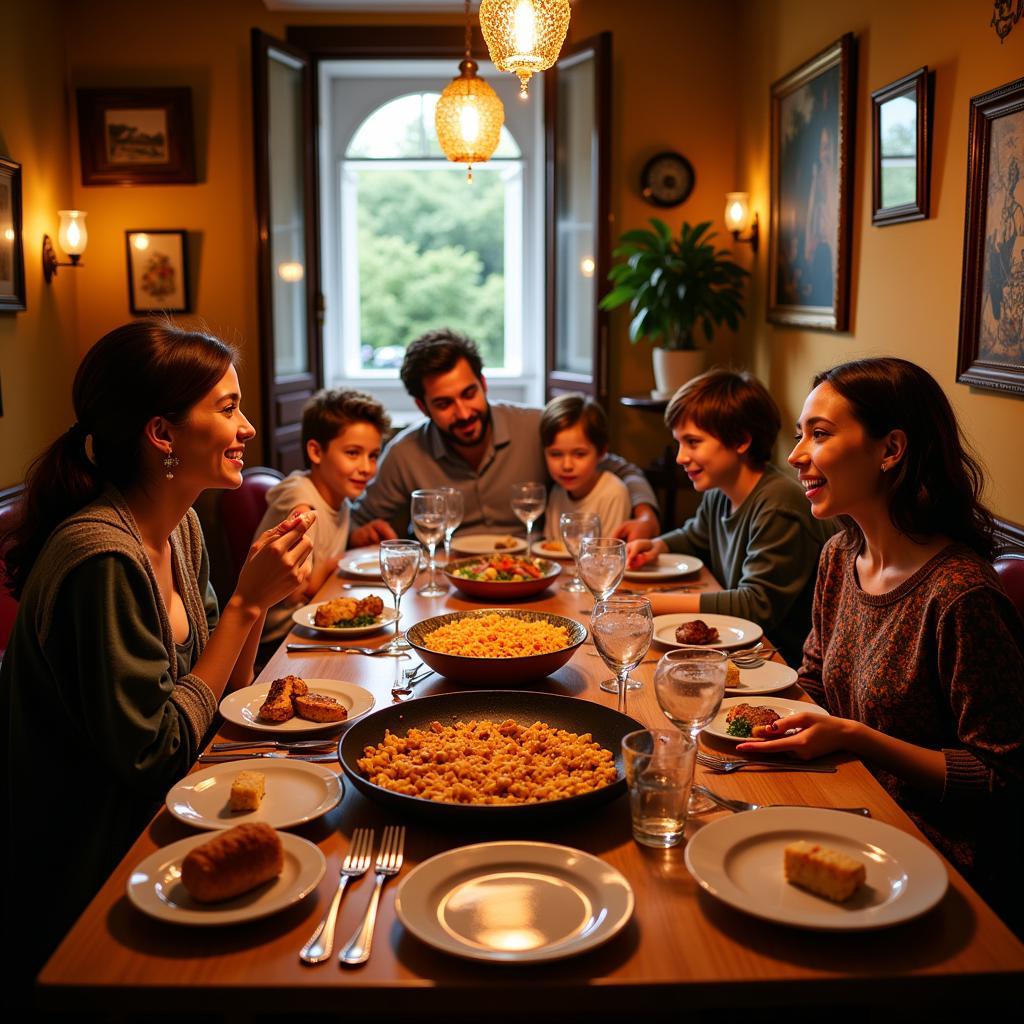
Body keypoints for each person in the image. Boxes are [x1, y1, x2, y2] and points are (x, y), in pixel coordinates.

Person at [0, 321, 314, 981]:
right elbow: (153, 754)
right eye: (228, 409)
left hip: (170, 820)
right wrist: (246, 605)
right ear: (162, 434)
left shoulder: (182, 529)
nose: (249, 427)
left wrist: (259, 589)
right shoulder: (103, 560)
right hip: (94, 869)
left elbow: (224, 696)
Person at [741, 357, 1023, 930]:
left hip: (930, 864)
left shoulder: (960, 595)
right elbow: (815, 684)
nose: (796, 456)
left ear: (890, 450)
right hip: (844, 807)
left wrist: (858, 738)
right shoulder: (840, 557)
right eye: (799, 435)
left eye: (818, 434)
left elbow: (1003, 780)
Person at [348, 329, 660, 544]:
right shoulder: (406, 453)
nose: (464, 412)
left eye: (469, 393)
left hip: (532, 578)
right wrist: (360, 533)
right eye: (444, 404)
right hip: (446, 585)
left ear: (484, 384)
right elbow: (357, 519)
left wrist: (645, 515)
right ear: (422, 407)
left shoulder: (535, 425)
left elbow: (622, 470)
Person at [626, 368, 835, 667]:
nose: (680, 456)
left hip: (779, 660)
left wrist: (651, 603)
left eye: (693, 442)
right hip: (740, 649)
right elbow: (695, 535)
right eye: (679, 442)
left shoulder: (778, 503)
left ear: (740, 441)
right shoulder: (720, 490)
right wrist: (656, 545)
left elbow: (756, 604)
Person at [253, 388, 392, 651]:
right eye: (353, 453)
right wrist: (339, 562)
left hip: (311, 628)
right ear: (316, 452)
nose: (366, 467)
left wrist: (356, 536)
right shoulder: (301, 503)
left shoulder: (338, 496)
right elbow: (294, 592)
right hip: (280, 640)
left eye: (373, 455)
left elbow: (323, 544)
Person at [540, 393, 631, 539]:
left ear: (601, 452)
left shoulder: (613, 493)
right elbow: (551, 548)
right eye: (556, 454)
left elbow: (607, 555)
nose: (567, 465)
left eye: (579, 454)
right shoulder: (557, 492)